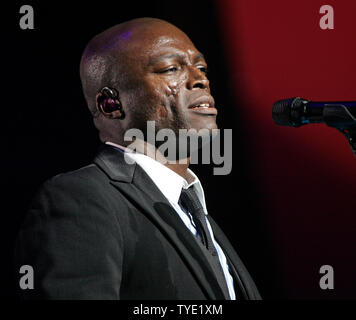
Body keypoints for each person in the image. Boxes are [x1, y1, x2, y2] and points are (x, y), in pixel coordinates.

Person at [15, 18, 261, 300]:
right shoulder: (80, 199)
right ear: (111, 104)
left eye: (201, 67)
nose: (200, 79)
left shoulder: (195, 212)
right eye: (171, 69)